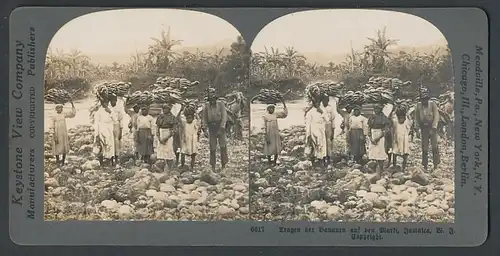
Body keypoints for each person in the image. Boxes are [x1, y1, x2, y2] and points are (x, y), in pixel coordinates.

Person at [201, 88, 228, 171]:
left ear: (216, 99)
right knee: (212, 147)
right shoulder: (206, 106)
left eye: (213, 99)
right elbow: (204, 118)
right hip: (212, 128)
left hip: (220, 126)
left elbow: (224, 116)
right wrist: (205, 129)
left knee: (223, 146)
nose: (212, 101)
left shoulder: (221, 104)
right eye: (210, 100)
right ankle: (213, 166)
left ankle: (224, 165)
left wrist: (222, 128)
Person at [414, 88, 441, 170]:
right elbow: (416, 118)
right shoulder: (418, 106)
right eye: (422, 100)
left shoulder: (432, 104)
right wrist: (417, 128)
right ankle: (425, 165)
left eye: (425, 99)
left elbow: (436, 116)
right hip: (424, 128)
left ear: (427, 99)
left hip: (432, 127)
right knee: (424, 147)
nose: (424, 101)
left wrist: (434, 126)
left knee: (434, 147)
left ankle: (436, 164)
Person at [367, 103, 392, 182]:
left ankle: (381, 169)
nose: (376, 110)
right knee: (373, 153)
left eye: (378, 109)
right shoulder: (372, 117)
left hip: (380, 135)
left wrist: (378, 138)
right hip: (373, 134)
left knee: (380, 152)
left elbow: (385, 129)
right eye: (375, 109)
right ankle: (375, 171)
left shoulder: (383, 118)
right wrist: (370, 137)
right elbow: (369, 127)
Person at [50, 101, 76, 166]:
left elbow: (72, 114)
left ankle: (63, 161)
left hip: (63, 133)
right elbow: (51, 126)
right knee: (57, 146)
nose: (59, 109)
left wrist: (72, 105)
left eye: (60, 108)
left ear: (62, 108)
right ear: (56, 109)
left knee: (64, 146)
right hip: (57, 133)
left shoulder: (64, 114)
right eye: (57, 108)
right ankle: (57, 160)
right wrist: (53, 134)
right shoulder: (54, 116)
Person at [262, 101, 288, 166]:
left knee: (276, 147)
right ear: (268, 109)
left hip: (275, 133)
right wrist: (266, 135)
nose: (272, 109)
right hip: (269, 133)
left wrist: (284, 105)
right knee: (269, 147)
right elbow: (264, 127)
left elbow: (284, 114)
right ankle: (269, 161)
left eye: (273, 108)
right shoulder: (265, 116)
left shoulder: (275, 114)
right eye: (270, 108)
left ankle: (275, 161)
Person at [155, 103, 179, 170]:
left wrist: (166, 138)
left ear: (169, 109)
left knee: (169, 150)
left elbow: (174, 129)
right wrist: (159, 137)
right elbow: (157, 127)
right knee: (161, 151)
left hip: (169, 134)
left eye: (166, 108)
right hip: (161, 133)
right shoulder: (160, 117)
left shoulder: (172, 117)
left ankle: (169, 168)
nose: (164, 110)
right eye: (163, 109)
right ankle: (162, 167)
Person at [305, 99, 328, 167]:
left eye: (318, 102)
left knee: (322, 145)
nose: (317, 104)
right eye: (315, 103)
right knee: (314, 145)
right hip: (313, 130)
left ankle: (322, 160)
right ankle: (313, 162)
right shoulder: (310, 112)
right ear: (313, 103)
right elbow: (308, 124)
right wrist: (308, 134)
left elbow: (327, 120)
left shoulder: (323, 110)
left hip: (321, 130)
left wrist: (322, 113)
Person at [93, 99, 116, 166]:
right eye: (104, 102)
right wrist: (96, 134)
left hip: (109, 129)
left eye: (106, 102)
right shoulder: (99, 112)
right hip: (101, 129)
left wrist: (110, 112)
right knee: (101, 145)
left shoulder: (111, 110)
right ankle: (101, 162)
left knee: (110, 145)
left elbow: (115, 120)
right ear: (102, 103)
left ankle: (111, 161)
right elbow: (96, 123)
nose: (105, 103)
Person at [320, 95, 336, 165]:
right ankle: (322, 158)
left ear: (328, 100)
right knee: (322, 141)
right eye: (323, 100)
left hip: (328, 125)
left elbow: (333, 119)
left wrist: (333, 130)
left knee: (329, 141)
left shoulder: (330, 108)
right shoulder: (319, 107)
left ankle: (329, 158)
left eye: (326, 100)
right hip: (321, 126)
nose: (325, 101)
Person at [109, 95, 123, 165]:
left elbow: (120, 120)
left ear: (116, 101)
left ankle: (117, 158)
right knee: (110, 141)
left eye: (114, 100)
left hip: (116, 125)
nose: (113, 102)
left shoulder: (119, 108)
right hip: (109, 125)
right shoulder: (108, 107)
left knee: (116, 141)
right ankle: (111, 159)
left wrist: (121, 130)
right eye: (112, 100)